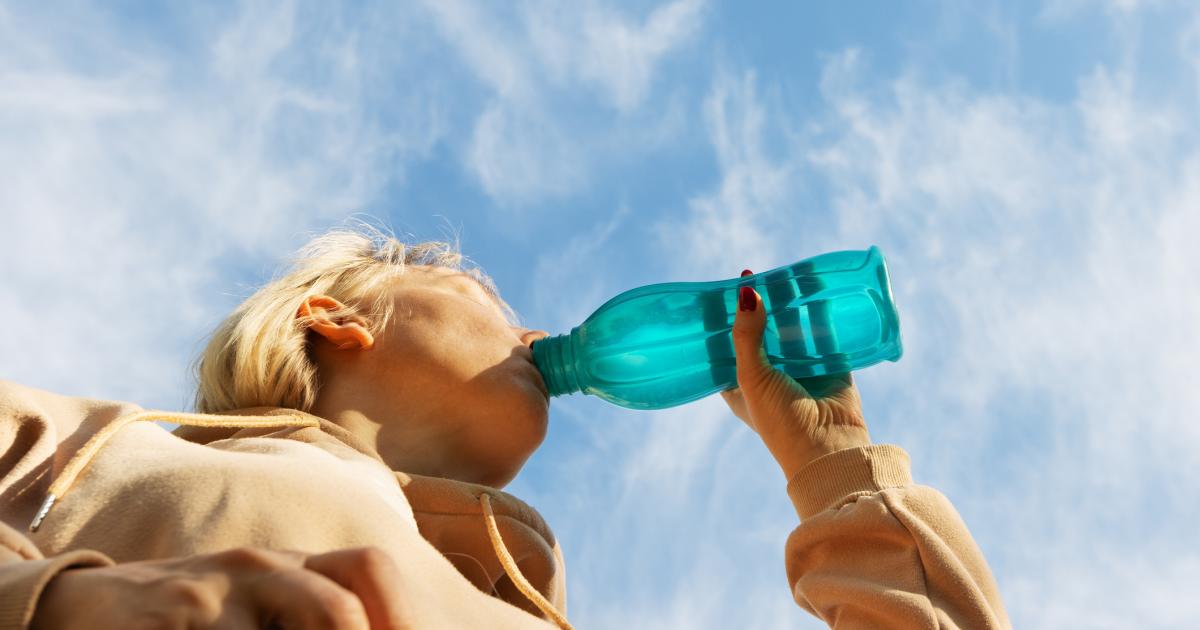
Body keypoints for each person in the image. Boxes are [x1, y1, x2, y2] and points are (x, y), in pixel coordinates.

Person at [0, 225, 1009, 629]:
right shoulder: (109, 445)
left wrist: (833, 471)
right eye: (468, 282)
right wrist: (76, 608)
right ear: (337, 320)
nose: (530, 326)